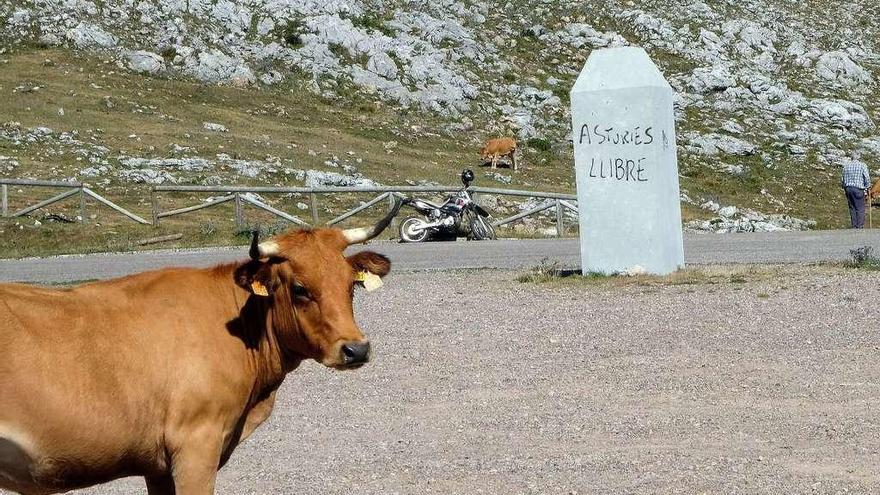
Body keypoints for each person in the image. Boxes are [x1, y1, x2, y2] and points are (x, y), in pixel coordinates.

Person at [841, 157, 871, 228]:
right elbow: (866, 177)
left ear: (852, 158)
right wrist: (867, 186)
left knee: (852, 207)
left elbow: (842, 178)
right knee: (860, 207)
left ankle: (854, 226)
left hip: (848, 188)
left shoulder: (846, 165)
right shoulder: (862, 165)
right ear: (859, 158)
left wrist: (844, 187)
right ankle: (859, 226)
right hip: (858, 189)